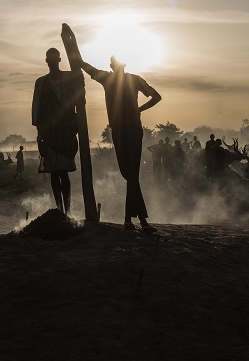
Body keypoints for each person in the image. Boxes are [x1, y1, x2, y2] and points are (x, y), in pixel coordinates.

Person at [81, 56, 161, 233]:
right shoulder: (129, 79)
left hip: (125, 131)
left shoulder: (110, 78)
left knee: (130, 175)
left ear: (115, 66)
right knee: (131, 175)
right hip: (128, 130)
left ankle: (132, 221)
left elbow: (85, 66)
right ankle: (137, 221)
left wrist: (139, 109)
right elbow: (156, 97)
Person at [32, 48, 81, 215]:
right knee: (54, 172)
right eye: (49, 60)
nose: (52, 62)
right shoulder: (41, 82)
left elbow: (80, 97)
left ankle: (67, 210)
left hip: (66, 131)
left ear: (59, 60)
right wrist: (40, 134)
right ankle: (59, 209)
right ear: (46, 61)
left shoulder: (70, 77)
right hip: (49, 132)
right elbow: (37, 107)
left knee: (63, 172)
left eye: (54, 59)